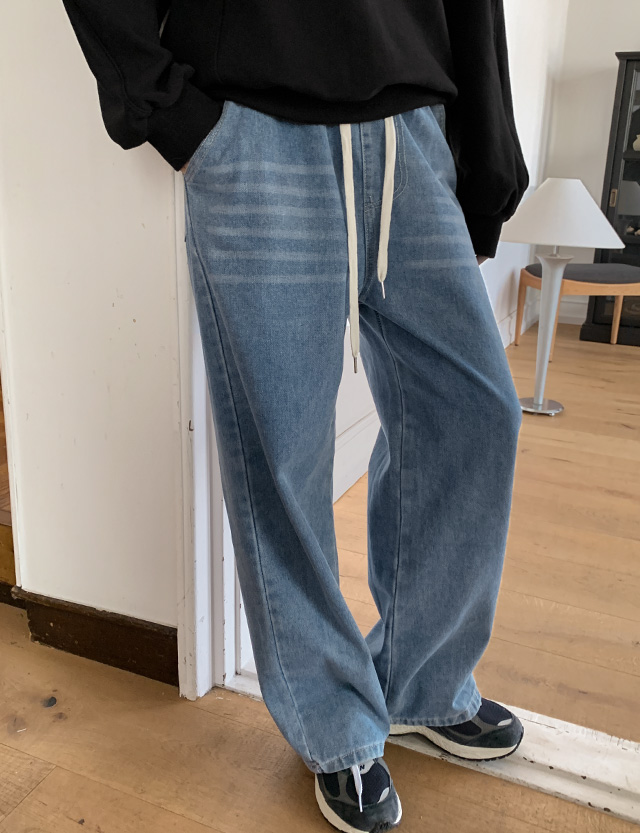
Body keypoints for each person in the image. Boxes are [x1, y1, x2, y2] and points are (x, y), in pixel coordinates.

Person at [60, 1, 529, 830]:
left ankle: (421, 680)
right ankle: (335, 722)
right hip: (255, 128)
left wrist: (487, 156)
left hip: (415, 121)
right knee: (283, 450)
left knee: (474, 412)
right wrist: (167, 108)